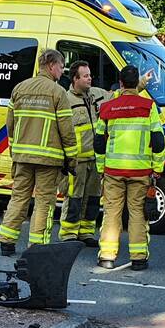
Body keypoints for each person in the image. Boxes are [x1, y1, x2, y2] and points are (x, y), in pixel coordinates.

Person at [0, 49, 78, 255]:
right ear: (51, 65)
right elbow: (67, 130)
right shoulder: (57, 92)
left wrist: (15, 151)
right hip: (48, 159)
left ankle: (6, 240)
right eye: (60, 66)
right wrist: (72, 159)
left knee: (19, 197)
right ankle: (37, 246)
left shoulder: (19, 88)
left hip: (22, 157)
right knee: (44, 202)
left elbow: (10, 125)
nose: (62, 70)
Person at [94, 65, 165, 271]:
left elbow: (99, 142)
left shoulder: (108, 108)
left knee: (111, 214)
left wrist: (101, 168)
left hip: (113, 170)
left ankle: (107, 256)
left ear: (121, 83)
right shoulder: (149, 107)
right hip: (141, 171)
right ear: (137, 83)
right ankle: (138, 258)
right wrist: (157, 168)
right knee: (137, 214)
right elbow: (158, 141)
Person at [59, 60, 108, 246]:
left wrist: (141, 82)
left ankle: (86, 232)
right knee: (74, 198)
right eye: (86, 76)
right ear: (75, 78)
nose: (90, 78)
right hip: (76, 161)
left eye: (90, 75)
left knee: (93, 198)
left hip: (95, 159)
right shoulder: (65, 100)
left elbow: (119, 94)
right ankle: (69, 234)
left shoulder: (96, 94)